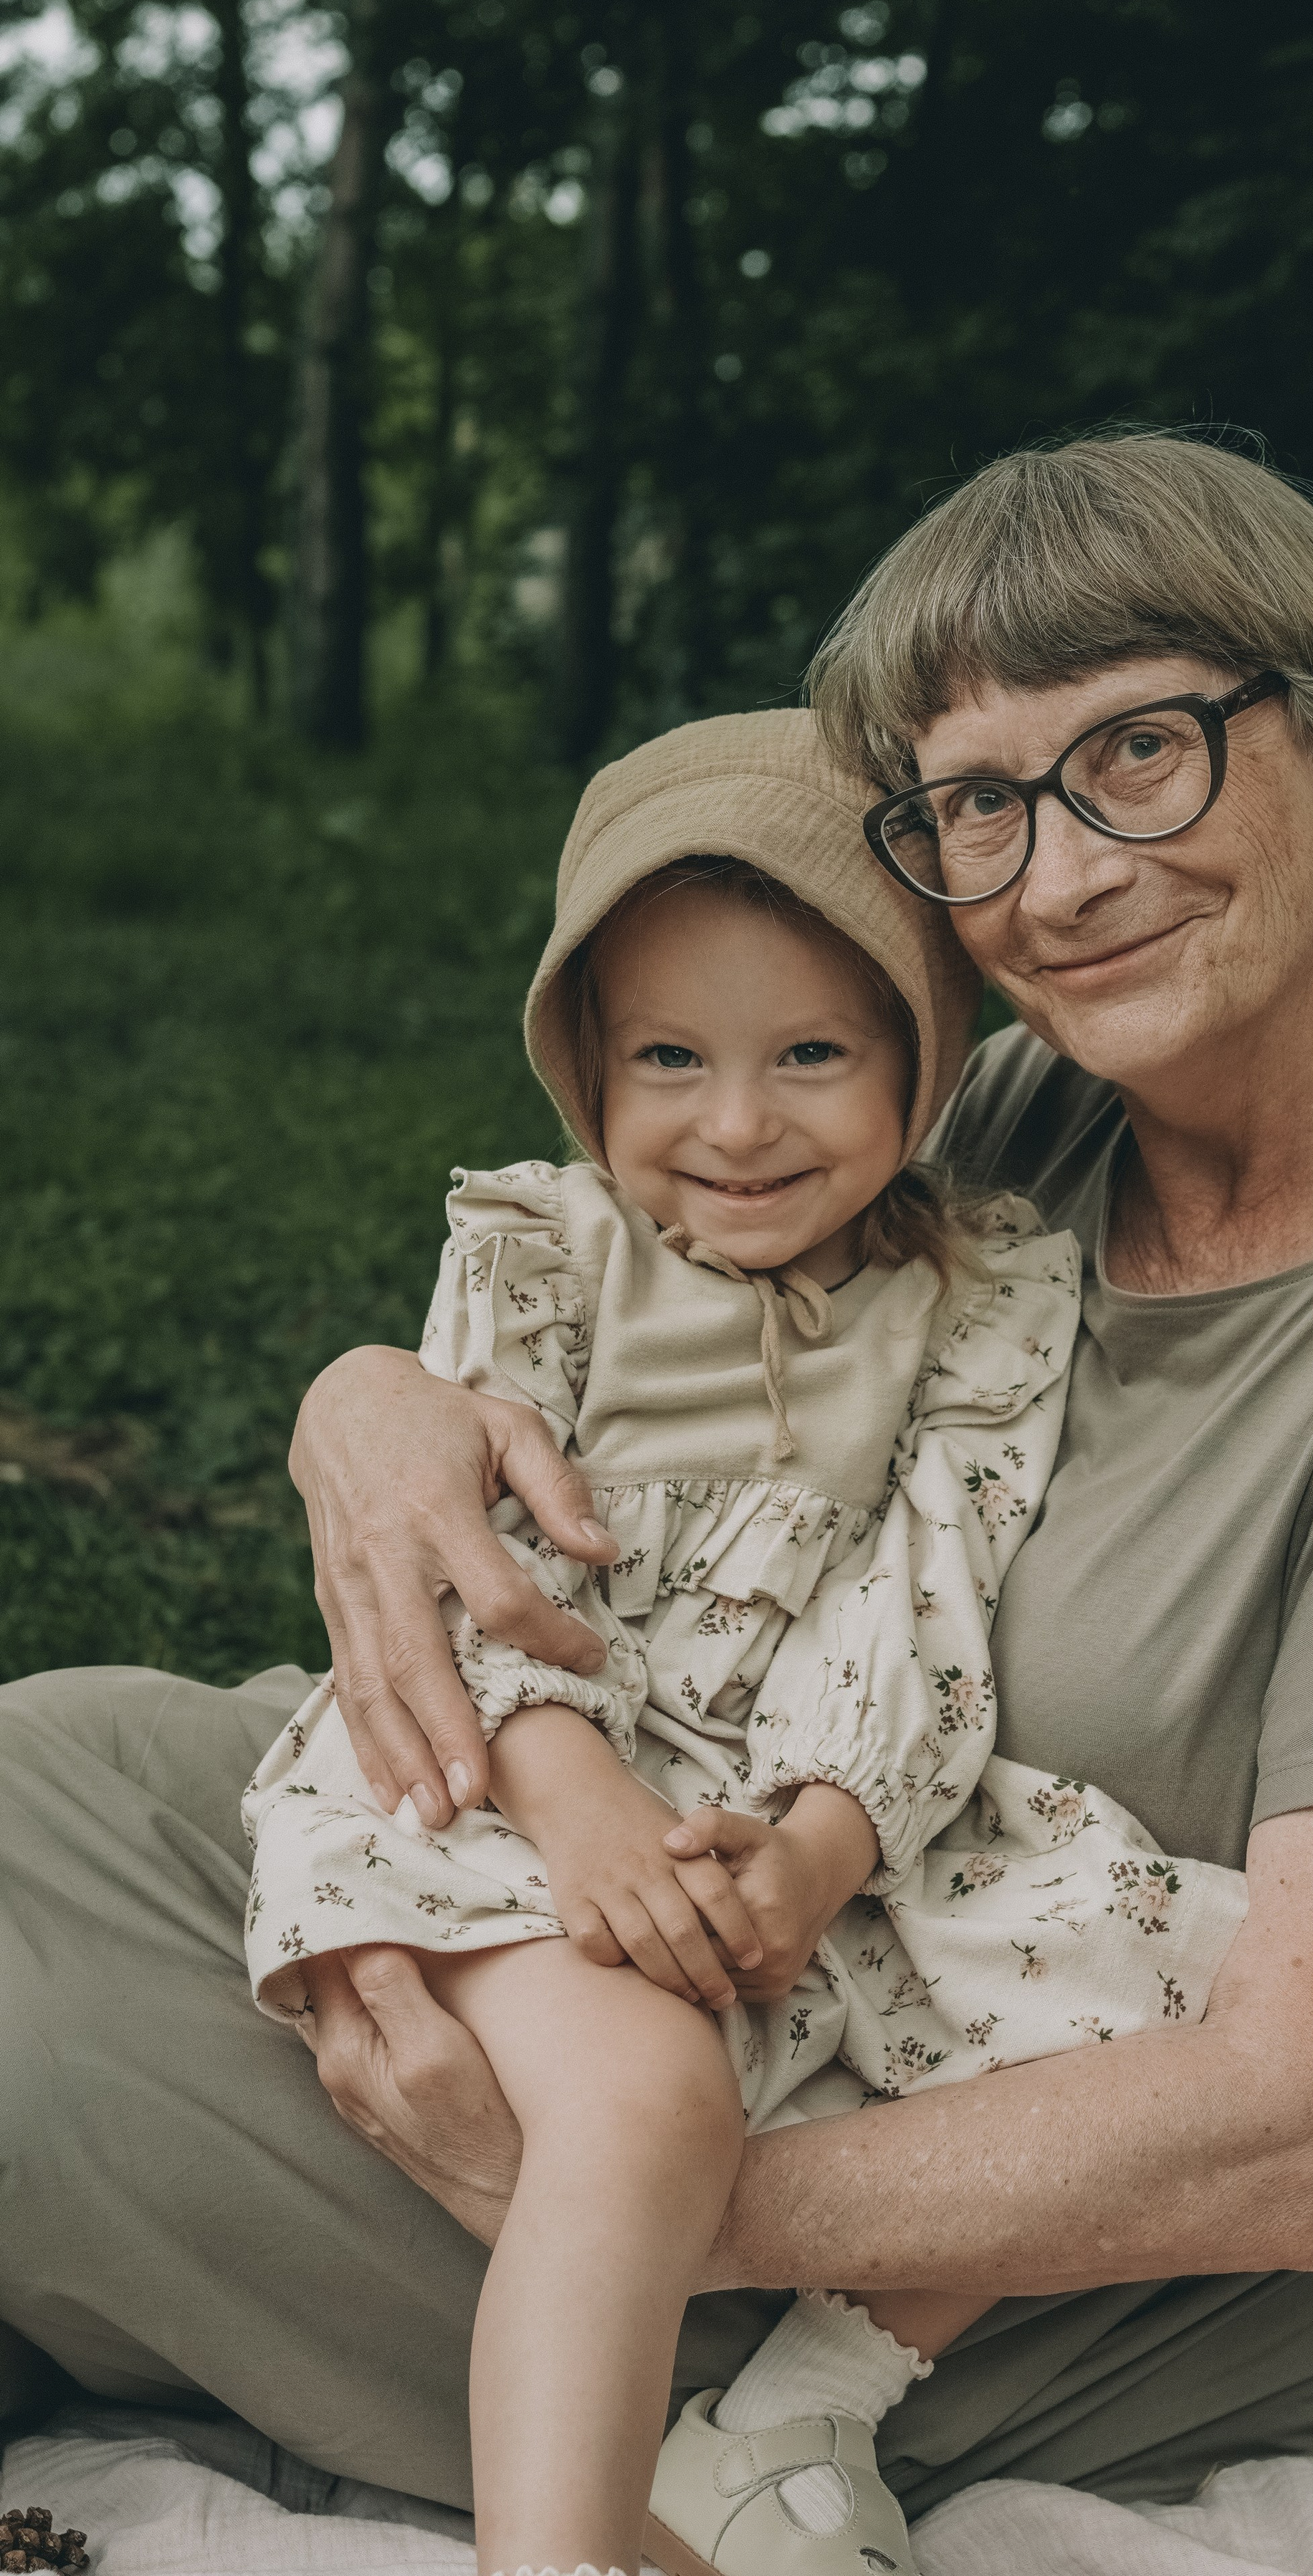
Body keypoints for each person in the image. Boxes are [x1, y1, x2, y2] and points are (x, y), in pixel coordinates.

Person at [0, 432, 1313, 2538]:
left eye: (1144, 754)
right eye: (980, 808)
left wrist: (622, 2193)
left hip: (1009, 2215)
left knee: (43, 2069)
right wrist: (367, 1400)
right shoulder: (1025, 1110)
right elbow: (607, 1270)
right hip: (710, 1915)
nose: (1062, 876)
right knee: (49, 1773)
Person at [239, 712, 1245, 2576]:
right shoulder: (541, 1257)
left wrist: (825, 1841)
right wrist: (583, 1807)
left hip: (795, 1792)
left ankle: (806, 2394)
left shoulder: (985, 1292)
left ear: (920, 1063)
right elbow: (478, 1575)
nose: (737, 1121)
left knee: (1164, 1966)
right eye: (669, 1059)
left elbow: (935, 1583)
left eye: (810, 1054)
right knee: (645, 2099)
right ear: (587, 1068)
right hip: (512, 1782)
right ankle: (560, 2554)